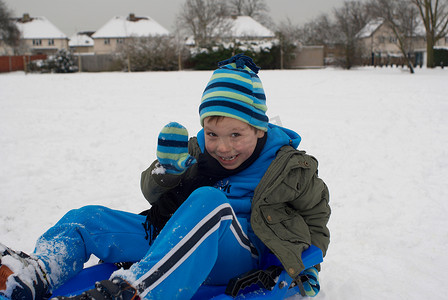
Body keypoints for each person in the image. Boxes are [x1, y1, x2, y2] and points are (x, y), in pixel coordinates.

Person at [0, 54, 330, 300]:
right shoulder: (195, 151)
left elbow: (316, 216)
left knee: (209, 200)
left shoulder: (289, 166)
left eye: (235, 134)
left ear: (259, 129)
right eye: (212, 133)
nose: (222, 147)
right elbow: (152, 194)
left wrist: (309, 264)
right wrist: (169, 173)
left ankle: (136, 290)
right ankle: (36, 274)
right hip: (178, 240)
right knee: (85, 219)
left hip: (239, 254)